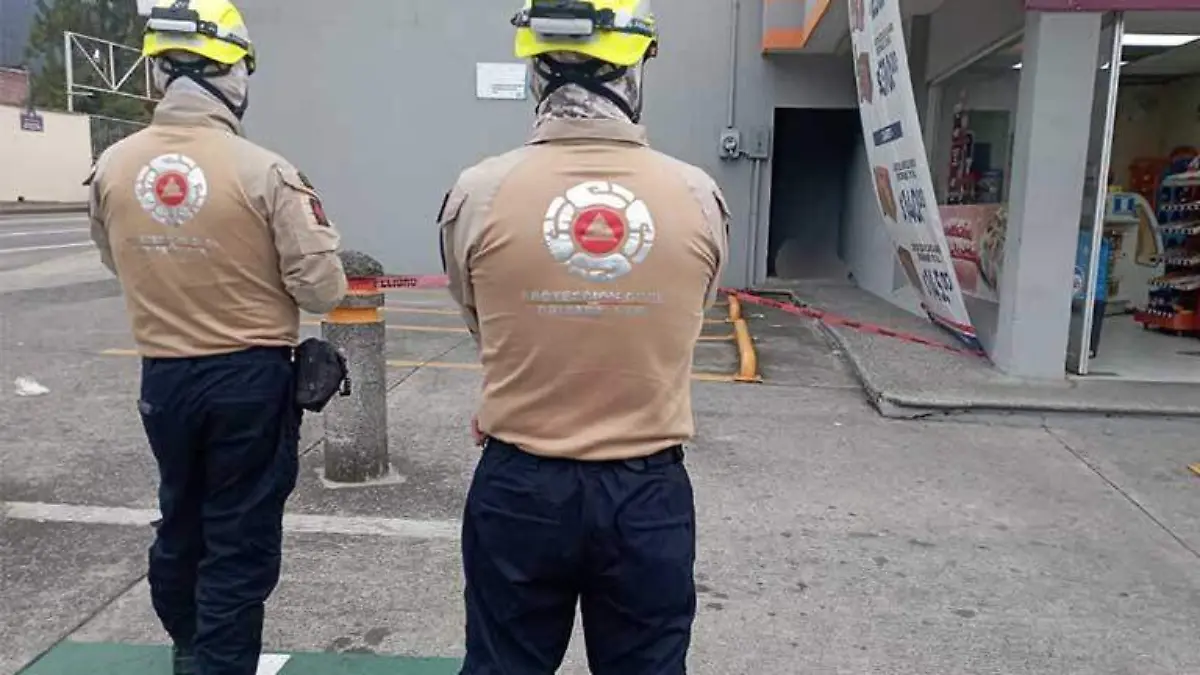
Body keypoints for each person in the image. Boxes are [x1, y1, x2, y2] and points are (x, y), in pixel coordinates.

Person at [439, 1, 729, 672]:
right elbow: (690, 316)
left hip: (520, 480)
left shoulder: (478, 192)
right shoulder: (697, 196)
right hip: (646, 490)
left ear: (535, 67)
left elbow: (479, 314)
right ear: (636, 67)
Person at [86, 1, 347, 673]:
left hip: (163, 378)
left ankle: (188, 645)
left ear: (159, 71)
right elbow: (322, 289)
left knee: (181, 518)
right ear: (233, 72)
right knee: (238, 537)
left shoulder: (113, 166)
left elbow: (116, 261)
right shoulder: (265, 171)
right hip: (248, 379)